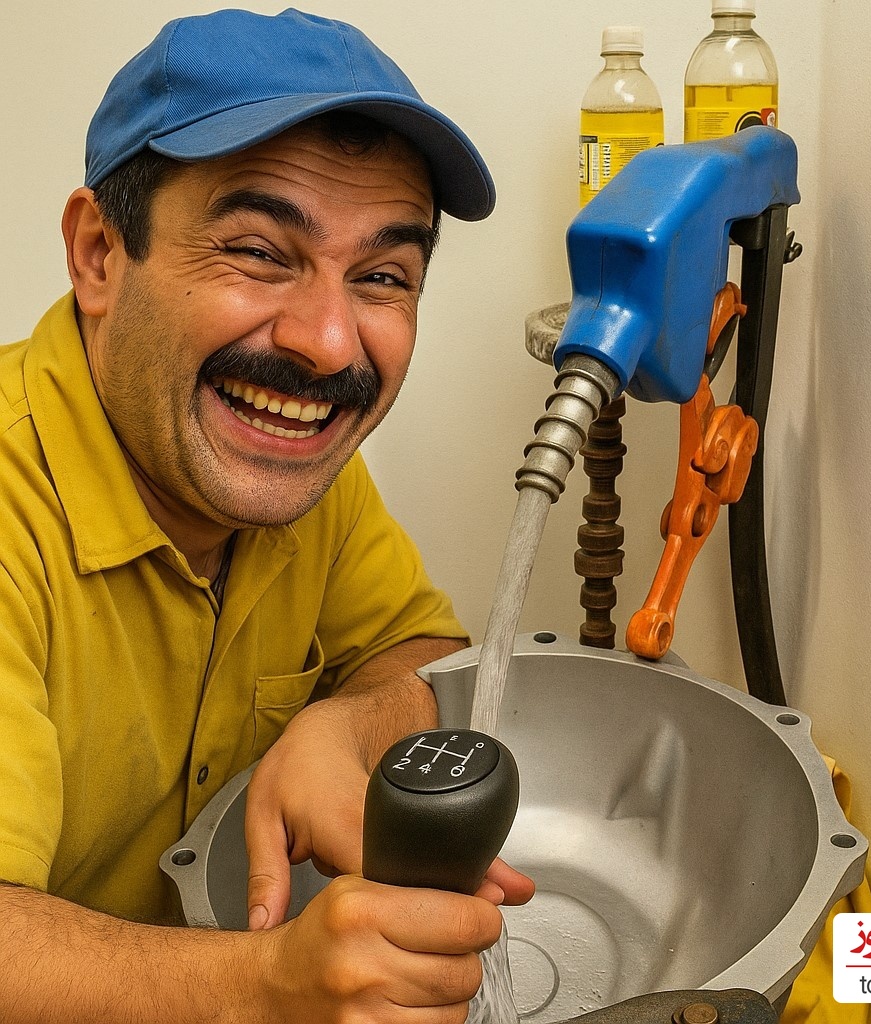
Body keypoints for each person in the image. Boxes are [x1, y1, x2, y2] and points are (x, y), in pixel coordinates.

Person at [0, 8, 532, 1021]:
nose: (328, 343)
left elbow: (426, 652)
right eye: (258, 252)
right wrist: (267, 983)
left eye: (382, 277)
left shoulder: (279, 459)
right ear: (100, 253)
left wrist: (350, 723)